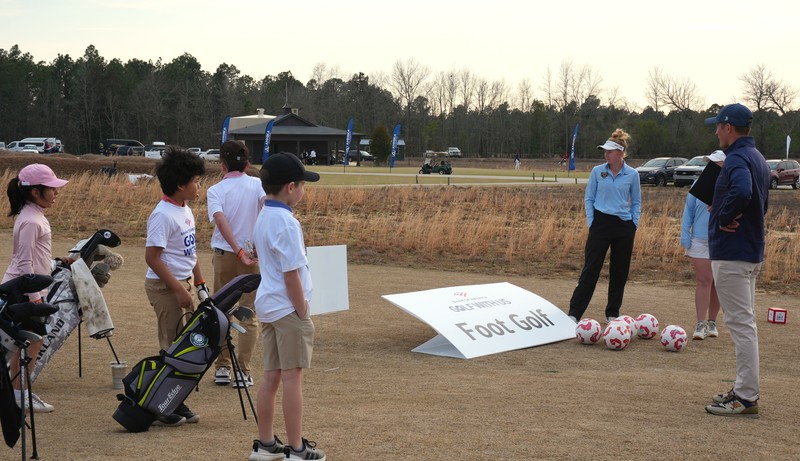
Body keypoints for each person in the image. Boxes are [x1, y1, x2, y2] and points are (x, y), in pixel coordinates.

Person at [248, 153, 326, 461]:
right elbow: (292, 275)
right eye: (303, 184)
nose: (304, 190)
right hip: (287, 309)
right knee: (293, 378)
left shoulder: (264, 215)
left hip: (268, 306)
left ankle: (265, 443)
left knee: (271, 377)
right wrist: (302, 310)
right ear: (291, 187)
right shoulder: (287, 223)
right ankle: (296, 448)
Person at [702, 103, 770, 418]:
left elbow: (742, 191)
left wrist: (723, 215)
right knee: (746, 324)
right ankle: (744, 389)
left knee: (741, 325)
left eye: (718, 125)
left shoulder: (738, 157)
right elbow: (760, 201)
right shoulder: (757, 157)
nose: (716, 130)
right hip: (749, 250)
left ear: (729, 128)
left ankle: (744, 397)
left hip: (733, 253)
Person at [144, 146, 207, 427]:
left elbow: (189, 252)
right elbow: (152, 258)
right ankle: (162, 404)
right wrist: (179, 290)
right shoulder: (163, 215)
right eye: (195, 181)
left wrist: (199, 282)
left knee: (183, 346)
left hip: (183, 283)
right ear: (180, 185)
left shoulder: (185, 209)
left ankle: (175, 399)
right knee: (171, 346)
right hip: (164, 286)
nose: (198, 186)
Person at [3, 164, 69, 413]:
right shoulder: (31, 219)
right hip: (23, 292)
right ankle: (19, 394)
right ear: (35, 192)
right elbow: (24, 262)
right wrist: (34, 298)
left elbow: (36, 258)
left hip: (28, 290)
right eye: (51, 189)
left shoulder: (34, 216)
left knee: (29, 341)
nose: (55, 193)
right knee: (32, 341)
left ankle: (16, 391)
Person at [208, 141, 265, 388]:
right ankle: (243, 371)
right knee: (248, 313)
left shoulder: (216, 190)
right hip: (251, 255)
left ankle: (223, 367)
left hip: (226, 254)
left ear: (222, 165)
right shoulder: (257, 184)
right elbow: (266, 209)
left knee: (221, 310)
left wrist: (237, 250)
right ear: (248, 164)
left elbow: (220, 221)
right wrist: (252, 248)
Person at [567, 129, 641, 323]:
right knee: (590, 270)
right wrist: (592, 222)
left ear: (620, 153)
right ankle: (574, 313)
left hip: (624, 226)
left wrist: (634, 223)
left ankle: (612, 314)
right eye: (605, 151)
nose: (606, 154)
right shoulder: (597, 171)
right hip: (600, 223)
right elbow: (589, 198)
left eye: (610, 151)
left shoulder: (632, 174)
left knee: (619, 271)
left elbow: (636, 202)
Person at [682, 150, 725, 341]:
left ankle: (712, 322)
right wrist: (685, 234)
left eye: (716, 163)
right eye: (710, 162)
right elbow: (688, 210)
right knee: (704, 280)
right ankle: (700, 323)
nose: (712, 166)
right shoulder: (698, 184)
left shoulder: (732, 185)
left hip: (722, 240)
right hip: (699, 240)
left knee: (716, 282)